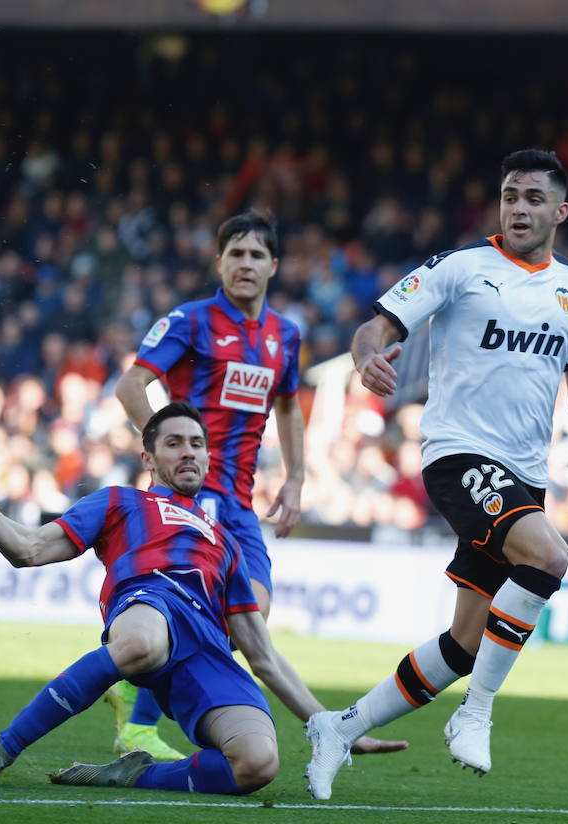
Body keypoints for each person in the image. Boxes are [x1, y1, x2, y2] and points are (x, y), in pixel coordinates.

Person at [303, 149, 568, 800]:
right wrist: (368, 361)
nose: (518, 208)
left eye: (534, 198)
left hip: (524, 472)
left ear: (560, 212)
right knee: (549, 556)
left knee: (465, 638)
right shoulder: (461, 269)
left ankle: (340, 729)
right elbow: (378, 327)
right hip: (457, 454)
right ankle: (477, 712)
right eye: (510, 195)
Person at [112, 211, 405, 759]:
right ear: (218, 262)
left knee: (253, 613)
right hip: (191, 499)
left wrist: (295, 479)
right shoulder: (190, 321)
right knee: (218, 620)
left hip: (240, 504)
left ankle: (133, 682)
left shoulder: (285, 336)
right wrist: (157, 446)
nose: (245, 264)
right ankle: (138, 720)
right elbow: (131, 385)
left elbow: (290, 409)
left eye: (255, 255)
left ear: (274, 265)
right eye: (235, 254)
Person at [0, 403, 288, 794]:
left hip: (207, 645)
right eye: (174, 443)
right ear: (149, 458)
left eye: (196, 443)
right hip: (151, 602)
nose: (188, 451)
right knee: (141, 641)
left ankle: (134, 774)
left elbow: (262, 649)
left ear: (208, 456)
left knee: (258, 763)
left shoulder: (225, 539)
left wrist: (331, 722)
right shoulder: (119, 501)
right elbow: (29, 549)